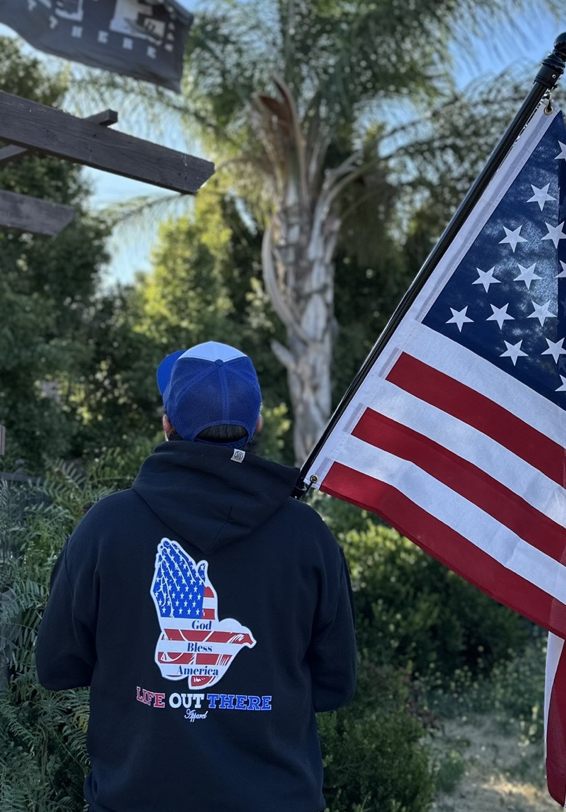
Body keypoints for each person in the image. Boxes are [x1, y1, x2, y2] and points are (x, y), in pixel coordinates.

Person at [36, 341, 357, 812]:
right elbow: (335, 685)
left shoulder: (106, 528)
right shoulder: (308, 537)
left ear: (168, 425)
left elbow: (58, 665)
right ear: (258, 425)